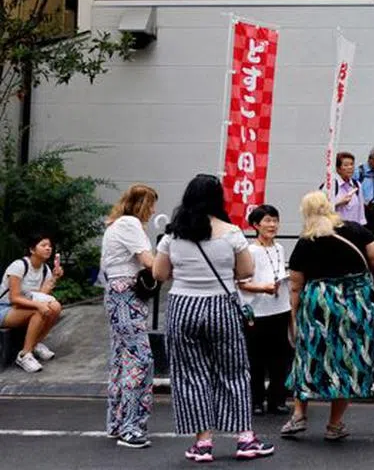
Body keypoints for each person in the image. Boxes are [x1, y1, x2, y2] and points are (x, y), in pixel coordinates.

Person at [153, 174, 274, 462]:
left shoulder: (172, 234)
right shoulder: (231, 233)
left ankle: (203, 442)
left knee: (189, 375)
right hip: (221, 306)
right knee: (233, 371)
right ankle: (244, 438)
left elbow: (159, 274)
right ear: (217, 198)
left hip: (183, 306)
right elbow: (245, 271)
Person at [281, 191, 374, 442]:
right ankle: (334, 424)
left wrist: (293, 317)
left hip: (319, 304)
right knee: (347, 358)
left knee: (308, 356)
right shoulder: (356, 230)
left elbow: (295, 284)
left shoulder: (307, 241)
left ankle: (298, 415)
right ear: (330, 207)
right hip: (355, 304)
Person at [100, 184, 159, 449]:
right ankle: (131, 427)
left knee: (121, 360)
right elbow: (149, 262)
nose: (154, 211)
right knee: (140, 359)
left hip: (115, 295)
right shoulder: (129, 224)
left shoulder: (115, 225)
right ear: (142, 204)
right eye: (151, 204)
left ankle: (116, 421)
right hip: (127, 298)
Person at [238, 204, 292, 417]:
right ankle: (256, 400)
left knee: (280, 357)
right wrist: (264, 288)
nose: (272, 225)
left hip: (280, 308)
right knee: (256, 358)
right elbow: (241, 282)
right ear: (255, 225)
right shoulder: (250, 251)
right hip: (257, 311)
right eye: (268, 221)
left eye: (275, 220)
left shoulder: (279, 248)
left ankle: (277, 399)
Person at [0, 234, 64, 373]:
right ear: (32, 249)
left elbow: (41, 296)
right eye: (43, 245)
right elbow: (14, 298)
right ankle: (24, 355)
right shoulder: (19, 266)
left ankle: (34, 344)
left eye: (50, 246)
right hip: (4, 308)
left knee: (55, 307)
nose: (48, 248)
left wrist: (54, 278)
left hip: (21, 308)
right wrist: (38, 305)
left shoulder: (45, 269)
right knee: (39, 310)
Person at [329, 152, 365, 226]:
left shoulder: (357, 185)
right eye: (346, 165)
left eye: (352, 164)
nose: (350, 167)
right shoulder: (330, 185)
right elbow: (320, 209)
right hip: (336, 230)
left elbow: (361, 213)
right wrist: (339, 203)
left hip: (354, 231)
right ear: (338, 169)